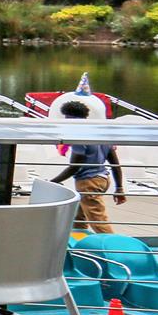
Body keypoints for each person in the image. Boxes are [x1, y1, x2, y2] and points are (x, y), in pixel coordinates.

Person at [50, 97, 125, 233]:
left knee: (99, 223)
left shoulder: (78, 136)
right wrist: (119, 187)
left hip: (88, 183)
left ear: (69, 118)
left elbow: (74, 166)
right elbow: (115, 163)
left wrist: (53, 181)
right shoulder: (100, 134)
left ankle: (114, 250)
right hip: (102, 179)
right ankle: (77, 240)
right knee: (78, 218)